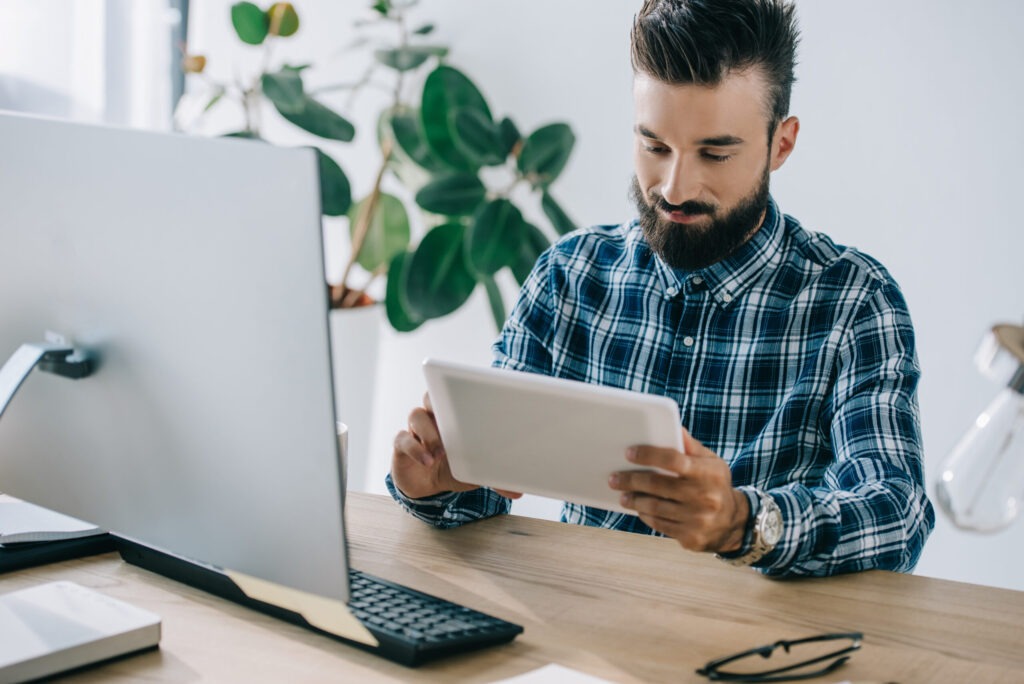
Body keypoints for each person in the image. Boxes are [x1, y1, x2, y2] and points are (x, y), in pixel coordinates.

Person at [386, 0, 934, 577]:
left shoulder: (853, 300)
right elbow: (487, 487)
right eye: (654, 147)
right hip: (590, 647)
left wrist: (743, 522)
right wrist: (437, 486)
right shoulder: (569, 278)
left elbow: (896, 511)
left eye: (715, 153)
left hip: (763, 653)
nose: (673, 188)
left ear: (781, 144)